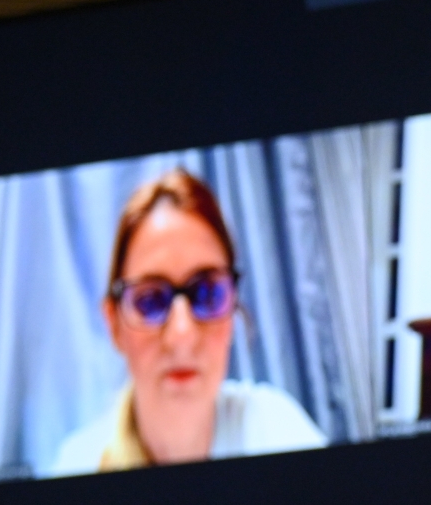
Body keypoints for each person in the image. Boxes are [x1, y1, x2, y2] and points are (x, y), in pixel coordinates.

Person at [49, 168, 325, 476]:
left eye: (207, 294)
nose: (182, 334)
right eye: (150, 301)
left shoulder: (277, 430)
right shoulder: (76, 463)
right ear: (114, 324)